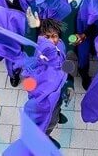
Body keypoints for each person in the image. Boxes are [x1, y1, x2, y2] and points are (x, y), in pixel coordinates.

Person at [22, 10, 71, 149]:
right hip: (45, 97)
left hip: (58, 91)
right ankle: (46, 136)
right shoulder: (38, 53)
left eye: (54, 36)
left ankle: (57, 115)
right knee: (47, 122)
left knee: (57, 107)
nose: (52, 40)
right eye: (47, 37)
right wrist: (33, 29)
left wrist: (67, 84)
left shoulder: (60, 44)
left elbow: (61, 60)